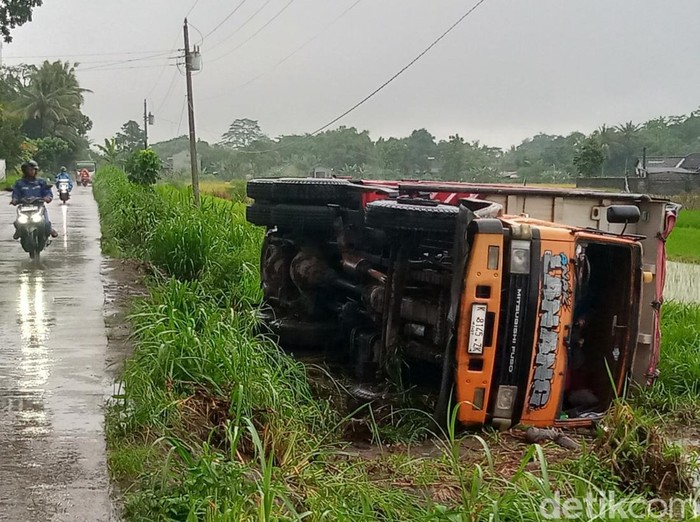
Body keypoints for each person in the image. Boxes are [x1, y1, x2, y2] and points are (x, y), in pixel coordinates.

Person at [10, 160, 58, 239]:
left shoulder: (41, 182)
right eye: (29, 169)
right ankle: (19, 230)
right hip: (24, 207)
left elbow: (47, 192)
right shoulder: (19, 183)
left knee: (46, 223)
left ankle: (50, 230)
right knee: (18, 222)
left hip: (39, 206)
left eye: (33, 169)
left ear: (36, 170)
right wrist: (14, 199)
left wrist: (47, 197)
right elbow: (16, 193)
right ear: (24, 171)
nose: (31, 171)